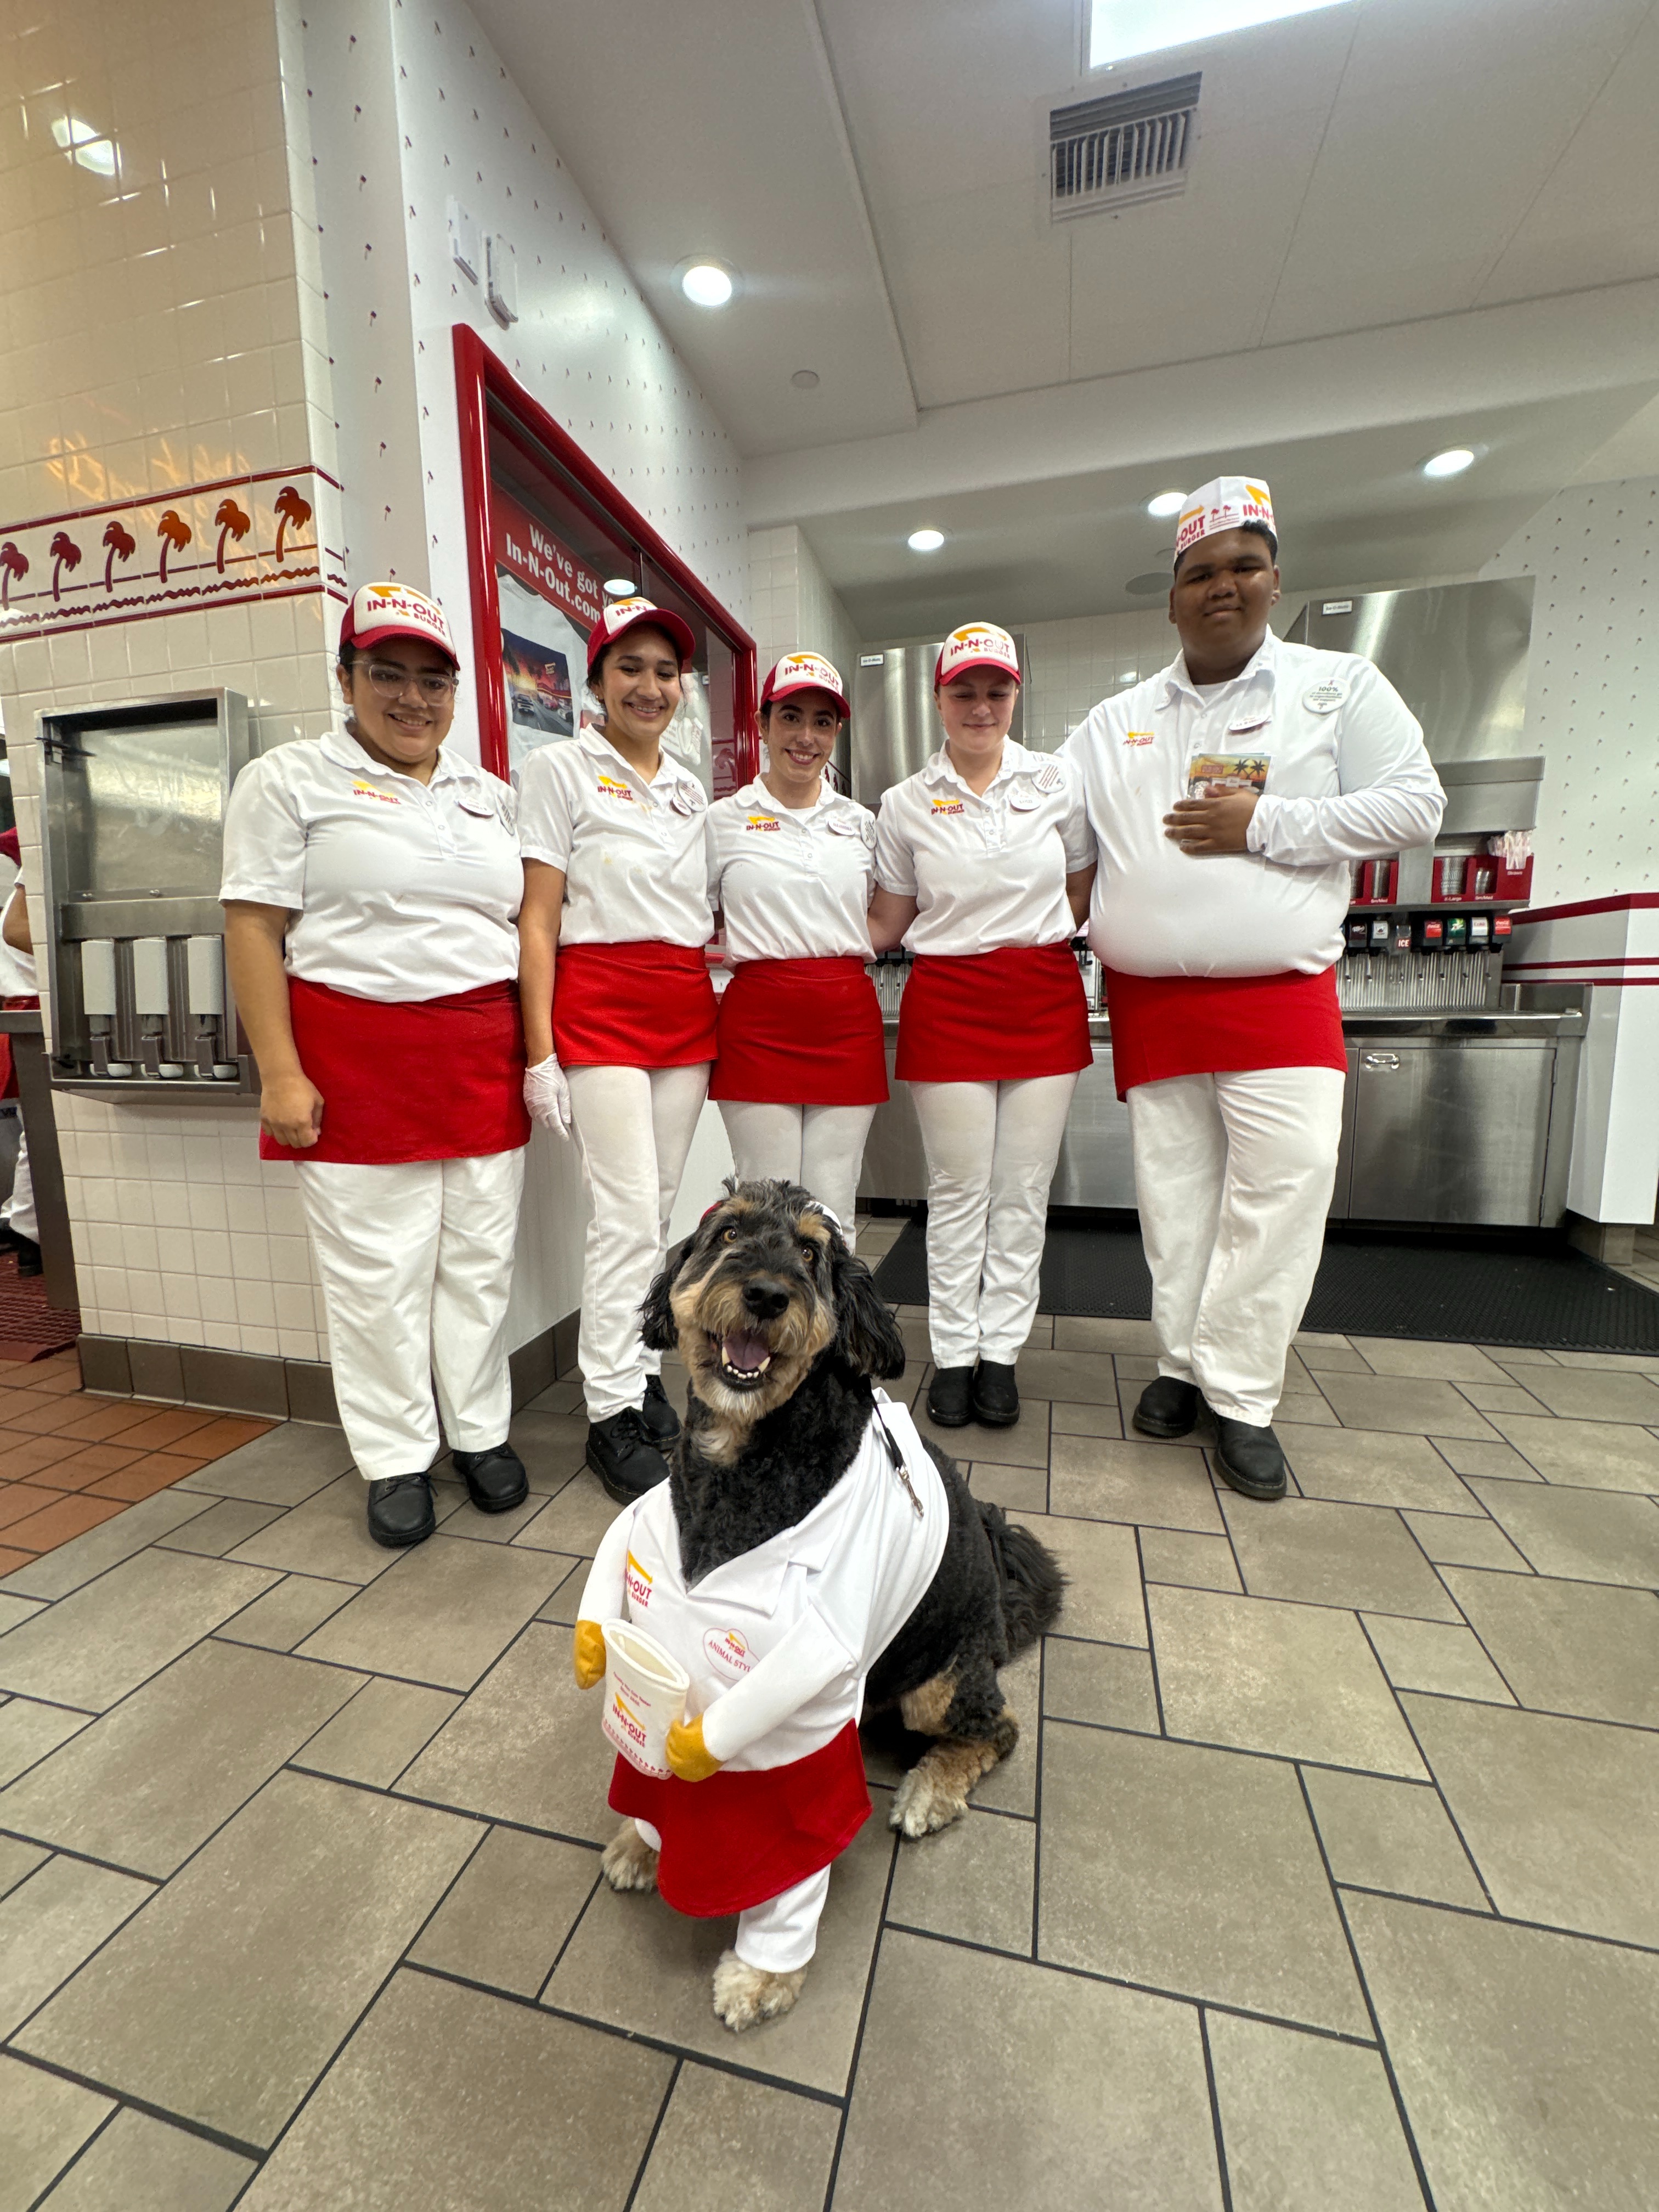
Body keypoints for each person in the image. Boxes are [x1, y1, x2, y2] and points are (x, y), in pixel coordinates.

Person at [1064, 476, 1444, 1501]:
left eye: (1242, 566)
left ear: (1276, 580)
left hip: (1280, 993)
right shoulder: (1114, 721)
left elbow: (1416, 805)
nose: (1221, 586)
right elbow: (1059, 836)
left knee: (1282, 1191)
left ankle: (1240, 1395)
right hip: (1152, 1000)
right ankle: (1182, 1365)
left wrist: (1266, 823)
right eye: (1199, 573)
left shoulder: (1336, 686)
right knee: (1176, 1202)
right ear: (1171, 598)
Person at [221, 582, 532, 1549]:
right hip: (354, 1058)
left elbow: (520, 925)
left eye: (433, 681)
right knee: (377, 1276)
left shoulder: (490, 795)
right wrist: (279, 1071)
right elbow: (252, 927)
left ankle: (478, 1432)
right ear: (345, 677)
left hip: (480, 1055)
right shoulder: (287, 780)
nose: (412, 698)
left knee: (478, 1265)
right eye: (387, 674)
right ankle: (397, 1457)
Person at [869, 622, 1096, 1431]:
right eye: (963, 691)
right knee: (959, 1191)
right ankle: (955, 1355)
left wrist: (1024, 938)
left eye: (996, 690)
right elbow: (890, 918)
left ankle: (1001, 1354)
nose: (980, 706)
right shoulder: (904, 804)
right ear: (939, 699)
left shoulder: (1058, 782)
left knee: (1023, 1191)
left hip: (1041, 996)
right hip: (949, 1001)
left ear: (1015, 696)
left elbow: (1079, 889)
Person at [516, 597, 716, 1504]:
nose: (649, 686)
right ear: (594, 681)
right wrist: (540, 1051)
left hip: (683, 1008)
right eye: (629, 668)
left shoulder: (687, 787)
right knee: (625, 1215)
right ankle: (608, 1411)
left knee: (660, 1210)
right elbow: (538, 918)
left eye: (665, 671)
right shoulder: (558, 768)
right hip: (599, 1007)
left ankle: (637, 1369)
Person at [706, 652, 885, 1244]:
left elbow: (885, 914)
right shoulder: (722, 821)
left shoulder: (861, 824)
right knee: (763, 1216)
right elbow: (692, 915)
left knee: (832, 1214)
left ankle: (829, 1313)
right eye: (790, 717)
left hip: (845, 1022)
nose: (806, 736)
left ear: (836, 732)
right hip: (758, 1025)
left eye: (822, 722)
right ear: (761, 724)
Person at [0, 829, 42, 1277]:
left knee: (37, 1132)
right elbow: (17, 934)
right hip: (36, 1013)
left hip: (27, 1011)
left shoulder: (18, 894)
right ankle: (30, 1233)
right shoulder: (37, 874)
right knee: (42, 1134)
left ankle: (26, 1226)